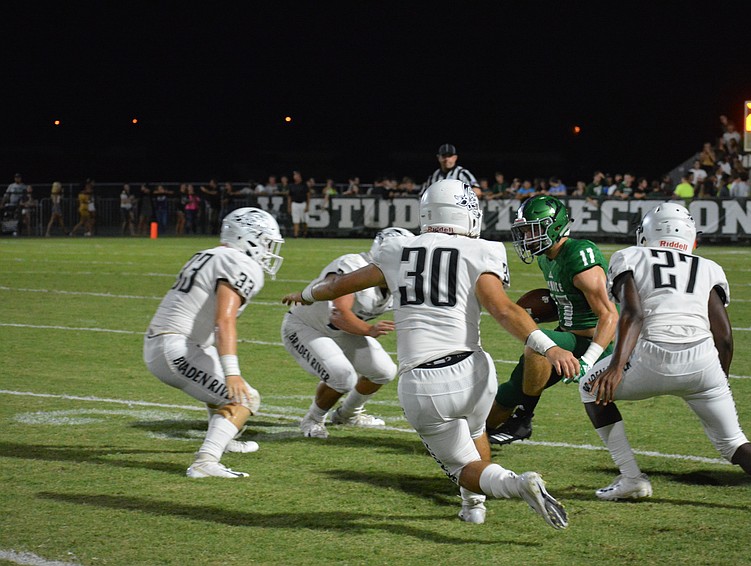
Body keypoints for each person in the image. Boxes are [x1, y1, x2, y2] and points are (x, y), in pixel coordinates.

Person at [282, 180, 571, 529]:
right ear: (467, 213)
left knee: (463, 467)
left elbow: (336, 286)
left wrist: (307, 294)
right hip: (475, 369)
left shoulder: (397, 249)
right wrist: (549, 346)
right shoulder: (481, 250)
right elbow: (505, 311)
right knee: (475, 431)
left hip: (425, 381)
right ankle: (473, 508)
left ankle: (515, 483)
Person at [578, 203, 751, 519]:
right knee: (734, 443)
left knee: (589, 388)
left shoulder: (631, 256)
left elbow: (633, 314)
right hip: (704, 362)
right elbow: (725, 336)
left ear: (648, 233)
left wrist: (614, 367)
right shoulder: (707, 266)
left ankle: (632, 478)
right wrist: (720, 380)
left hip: (652, 356)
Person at [144, 208, 284, 478]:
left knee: (217, 386)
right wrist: (232, 372)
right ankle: (205, 461)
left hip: (171, 342)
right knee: (246, 399)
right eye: (266, 241)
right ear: (249, 237)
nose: (268, 250)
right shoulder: (241, 263)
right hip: (176, 348)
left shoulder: (211, 254)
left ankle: (224, 440)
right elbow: (224, 319)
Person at [486, 195, 618, 445]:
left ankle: (523, 420)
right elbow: (570, 300)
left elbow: (609, 314)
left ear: (554, 226)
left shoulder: (579, 254)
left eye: (532, 230)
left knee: (539, 343)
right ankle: (478, 436)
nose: (526, 238)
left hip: (597, 343)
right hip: (569, 336)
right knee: (512, 389)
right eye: (524, 232)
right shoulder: (546, 257)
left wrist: (588, 361)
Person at [284, 227, 414, 439]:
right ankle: (313, 419)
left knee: (384, 371)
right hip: (306, 326)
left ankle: (348, 414)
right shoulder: (353, 266)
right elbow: (338, 313)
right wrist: (369, 330)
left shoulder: (399, 281)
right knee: (342, 377)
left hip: (341, 330)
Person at [288, 170, 310, 238]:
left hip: (303, 203)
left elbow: (308, 196)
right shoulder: (291, 186)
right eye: (295, 176)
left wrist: (307, 205)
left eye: (297, 176)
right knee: (295, 220)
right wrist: (289, 206)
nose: (295, 177)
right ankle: (296, 235)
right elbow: (289, 197)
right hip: (295, 204)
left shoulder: (304, 185)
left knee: (305, 220)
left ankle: (305, 233)